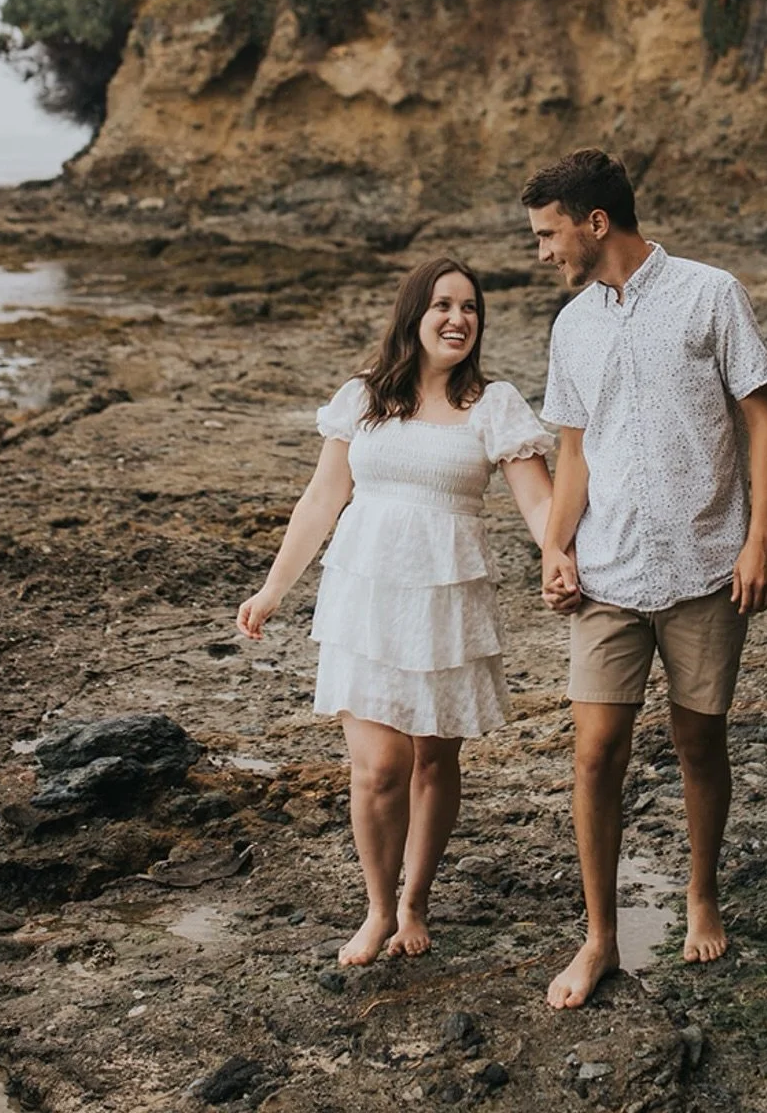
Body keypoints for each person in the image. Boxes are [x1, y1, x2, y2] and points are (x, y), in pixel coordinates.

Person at [236, 255, 556, 967]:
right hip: (368, 595)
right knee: (378, 768)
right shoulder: (363, 397)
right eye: (443, 304)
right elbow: (322, 499)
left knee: (435, 762)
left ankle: (417, 900)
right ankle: (379, 907)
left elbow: (538, 502)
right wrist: (272, 589)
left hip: (446, 597)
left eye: (470, 308)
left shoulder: (493, 405)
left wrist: (559, 559)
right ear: (414, 313)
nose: (458, 319)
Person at [524, 148, 767, 1010]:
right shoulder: (572, 326)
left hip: (708, 565)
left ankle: (701, 893)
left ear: (595, 223)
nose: (543, 254)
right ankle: (599, 937)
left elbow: (762, 418)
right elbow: (572, 451)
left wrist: (760, 540)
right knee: (596, 754)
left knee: (698, 745)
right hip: (606, 572)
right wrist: (556, 550)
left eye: (547, 234)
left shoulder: (711, 294)